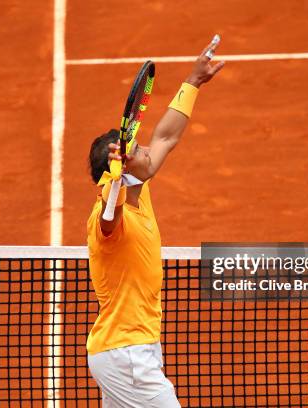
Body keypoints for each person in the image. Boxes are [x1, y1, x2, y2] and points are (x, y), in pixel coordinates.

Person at [86, 37, 225, 407]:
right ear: (123, 165)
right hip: (126, 356)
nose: (148, 150)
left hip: (133, 350)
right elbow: (108, 221)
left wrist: (192, 83)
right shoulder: (110, 212)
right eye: (138, 150)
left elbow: (167, 135)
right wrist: (115, 182)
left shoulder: (138, 188)